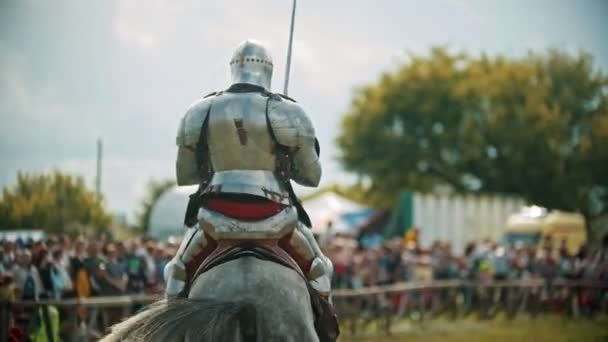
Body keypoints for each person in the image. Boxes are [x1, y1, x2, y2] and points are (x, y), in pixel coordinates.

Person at [164, 39, 335, 327]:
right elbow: (311, 177)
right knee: (321, 271)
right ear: (269, 70)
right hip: (275, 216)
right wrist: (285, 156)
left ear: (233, 68)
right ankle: (326, 329)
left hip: (214, 217)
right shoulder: (287, 111)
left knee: (175, 273)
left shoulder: (199, 111)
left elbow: (186, 175)